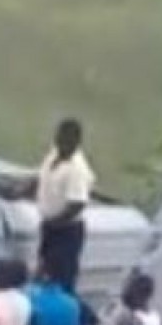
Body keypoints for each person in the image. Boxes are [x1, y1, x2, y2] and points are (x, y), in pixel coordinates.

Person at [36, 118, 96, 296]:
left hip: (66, 231)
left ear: (76, 142)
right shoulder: (53, 155)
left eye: (67, 141)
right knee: (44, 272)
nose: (62, 144)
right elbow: (42, 178)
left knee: (61, 277)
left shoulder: (77, 169)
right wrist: (19, 191)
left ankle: (65, 307)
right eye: (60, 139)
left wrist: (55, 223)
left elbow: (77, 204)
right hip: (50, 226)